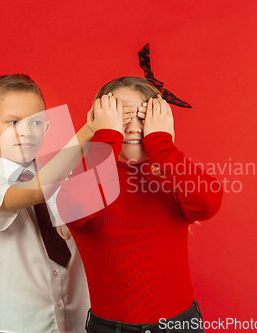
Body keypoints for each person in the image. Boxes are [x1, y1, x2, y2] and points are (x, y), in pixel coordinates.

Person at [0, 74, 137, 333]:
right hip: (17, 326)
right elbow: (36, 192)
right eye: (13, 122)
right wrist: (90, 128)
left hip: (79, 323)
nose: (25, 131)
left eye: (35, 122)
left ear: (45, 129)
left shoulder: (69, 179)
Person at [56, 76, 223, 333]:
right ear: (100, 124)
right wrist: (106, 136)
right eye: (121, 117)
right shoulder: (87, 181)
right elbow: (73, 205)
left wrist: (162, 144)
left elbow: (208, 202)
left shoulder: (171, 176)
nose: (133, 128)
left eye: (144, 118)